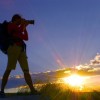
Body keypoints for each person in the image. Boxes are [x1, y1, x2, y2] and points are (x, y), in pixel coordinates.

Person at [0, 14, 37, 97]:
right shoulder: (11, 25)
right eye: (19, 20)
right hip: (13, 48)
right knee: (9, 69)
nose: (20, 21)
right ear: (15, 20)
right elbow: (18, 30)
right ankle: (2, 91)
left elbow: (26, 38)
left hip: (21, 50)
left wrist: (25, 28)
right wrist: (23, 25)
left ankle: (33, 90)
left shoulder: (19, 28)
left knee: (26, 71)